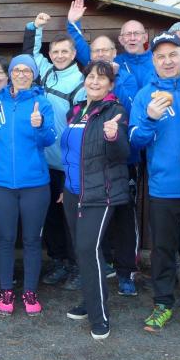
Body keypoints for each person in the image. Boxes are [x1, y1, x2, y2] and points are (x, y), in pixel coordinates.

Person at [129, 32, 180, 334]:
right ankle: (163, 302)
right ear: (153, 60)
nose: (167, 61)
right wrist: (150, 118)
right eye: (161, 56)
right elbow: (135, 140)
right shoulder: (145, 95)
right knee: (162, 249)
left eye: (173, 54)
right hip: (164, 185)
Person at [67, 0, 141, 294]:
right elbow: (87, 58)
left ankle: (126, 272)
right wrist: (73, 24)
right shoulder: (86, 96)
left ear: (115, 52)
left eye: (106, 51)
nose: (101, 55)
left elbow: (126, 109)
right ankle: (102, 269)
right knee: (94, 228)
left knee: (123, 219)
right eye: (96, 51)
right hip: (92, 168)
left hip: (123, 160)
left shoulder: (124, 80)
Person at [60, 60, 129, 339]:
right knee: (82, 250)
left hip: (99, 193)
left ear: (111, 84)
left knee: (89, 249)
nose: (95, 81)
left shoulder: (115, 111)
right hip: (72, 192)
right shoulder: (76, 111)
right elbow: (70, 153)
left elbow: (122, 153)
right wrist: (65, 187)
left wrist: (113, 137)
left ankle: (100, 316)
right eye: (91, 76)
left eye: (102, 78)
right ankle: (90, 300)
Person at [0, 54, 56, 316]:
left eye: (27, 70)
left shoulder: (42, 103)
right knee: (5, 239)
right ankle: (6, 290)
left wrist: (39, 126)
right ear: (10, 75)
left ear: (34, 75)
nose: (21, 74)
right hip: (1, 183)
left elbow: (49, 139)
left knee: (31, 240)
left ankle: (29, 291)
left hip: (34, 183)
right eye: (16, 69)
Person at [22, 12, 84, 292]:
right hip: (43, 163)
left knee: (72, 218)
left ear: (73, 53)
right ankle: (59, 261)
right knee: (50, 217)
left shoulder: (81, 83)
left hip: (68, 163)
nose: (59, 56)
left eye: (64, 51)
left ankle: (77, 265)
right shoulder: (45, 71)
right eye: (55, 51)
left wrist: (75, 167)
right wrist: (35, 27)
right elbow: (30, 53)